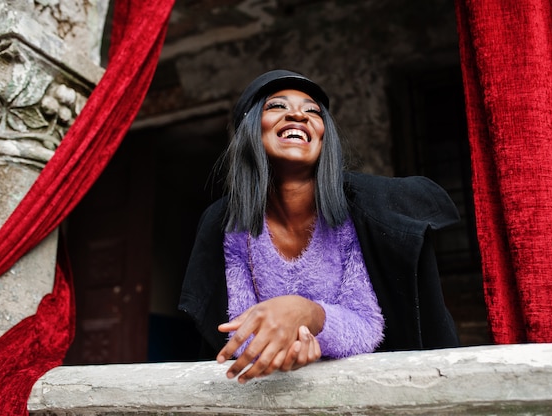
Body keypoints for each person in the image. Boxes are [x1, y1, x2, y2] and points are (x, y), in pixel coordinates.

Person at [179, 69, 460, 384]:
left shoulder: (357, 213)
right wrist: (287, 346)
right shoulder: (230, 226)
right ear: (251, 128)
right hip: (265, 393)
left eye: (313, 111)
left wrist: (308, 314)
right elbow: (238, 330)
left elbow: (367, 325)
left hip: (368, 388)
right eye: (277, 107)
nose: (298, 114)